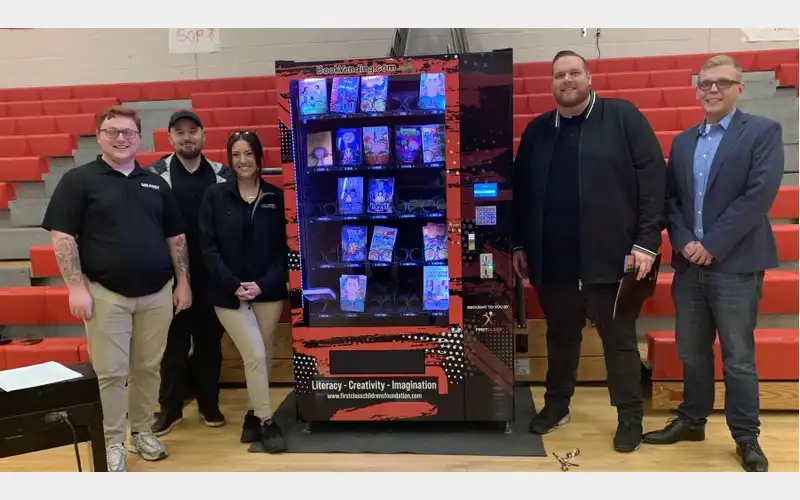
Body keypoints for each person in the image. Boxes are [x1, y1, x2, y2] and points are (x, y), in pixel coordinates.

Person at [511, 50, 666, 453]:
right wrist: (519, 243)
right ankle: (557, 406)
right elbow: (522, 194)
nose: (567, 80)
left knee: (619, 343)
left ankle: (629, 417)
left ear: (589, 76)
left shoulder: (623, 117)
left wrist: (647, 240)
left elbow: (653, 181)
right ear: (551, 83)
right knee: (561, 338)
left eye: (574, 72)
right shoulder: (537, 131)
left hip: (614, 259)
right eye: (559, 74)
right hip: (555, 260)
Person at [642, 55, 783, 472]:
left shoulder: (762, 131)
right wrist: (685, 242)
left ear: (740, 88)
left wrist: (714, 244)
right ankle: (692, 420)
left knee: (738, 356)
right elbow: (673, 201)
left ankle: (746, 437)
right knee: (691, 351)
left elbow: (758, 196)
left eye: (722, 82)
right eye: (704, 83)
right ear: (696, 88)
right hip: (690, 266)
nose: (712, 90)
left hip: (735, 265)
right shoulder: (684, 141)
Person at [41, 105, 191, 472]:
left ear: (139, 138)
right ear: (100, 136)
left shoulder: (156, 182)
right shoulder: (79, 181)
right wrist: (76, 287)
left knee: (148, 368)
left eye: (128, 132)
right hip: (106, 294)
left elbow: (176, 237)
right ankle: (112, 442)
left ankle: (141, 432)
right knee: (110, 372)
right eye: (113, 132)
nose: (121, 138)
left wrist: (183, 282)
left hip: (157, 293)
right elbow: (62, 236)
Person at [198, 130, 289, 453]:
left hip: (268, 290)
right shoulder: (215, 195)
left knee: (261, 353)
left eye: (248, 153)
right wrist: (232, 283)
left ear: (259, 157)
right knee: (254, 354)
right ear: (229, 159)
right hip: (227, 293)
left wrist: (263, 284)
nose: (242, 161)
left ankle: (252, 413)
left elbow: (285, 250)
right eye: (236, 155)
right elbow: (207, 248)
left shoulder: (275, 198)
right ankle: (266, 420)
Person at [147, 110, 233, 436]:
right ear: (169, 138)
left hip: (212, 278)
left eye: (192, 131)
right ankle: (169, 410)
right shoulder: (155, 176)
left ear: (203, 135)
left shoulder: (222, 175)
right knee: (173, 348)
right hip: (171, 281)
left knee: (210, 346)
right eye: (179, 132)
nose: (187, 137)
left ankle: (209, 404)